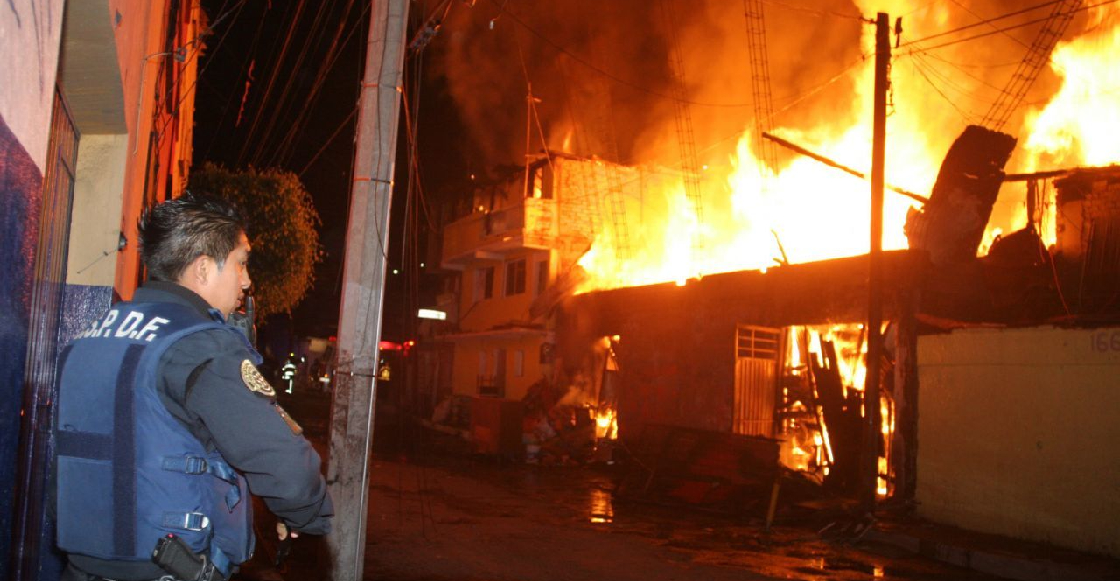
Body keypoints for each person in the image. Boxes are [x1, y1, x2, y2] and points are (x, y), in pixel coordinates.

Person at [54, 193, 333, 580]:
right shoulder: (198, 345)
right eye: (241, 263)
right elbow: (283, 462)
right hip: (170, 568)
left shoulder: (92, 334)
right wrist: (307, 514)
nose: (247, 281)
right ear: (203, 269)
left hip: (81, 567)